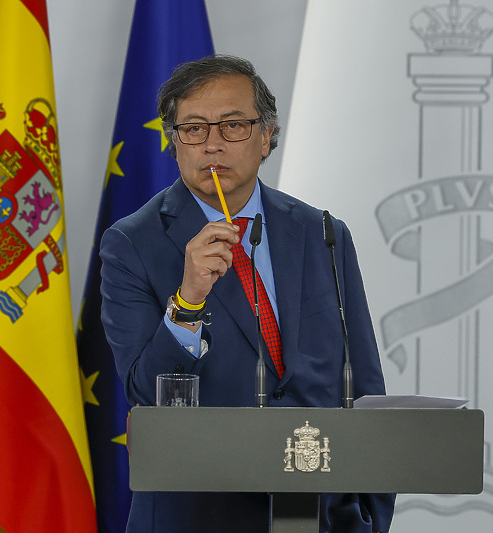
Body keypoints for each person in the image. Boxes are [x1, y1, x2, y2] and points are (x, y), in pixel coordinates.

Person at [100, 54, 395, 533]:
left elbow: (362, 382)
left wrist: (367, 515)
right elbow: (145, 392)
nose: (212, 144)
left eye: (233, 125)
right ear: (174, 144)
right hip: (197, 516)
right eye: (193, 128)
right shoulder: (132, 243)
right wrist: (189, 299)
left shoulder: (322, 231)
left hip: (320, 514)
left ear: (267, 137)